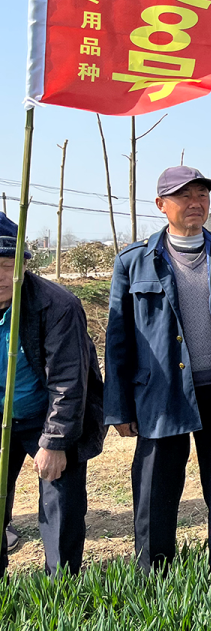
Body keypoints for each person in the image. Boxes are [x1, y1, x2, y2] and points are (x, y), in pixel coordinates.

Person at [104, 167, 211, 572]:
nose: (196, 203)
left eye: (202, 195)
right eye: (184, 196)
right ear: (162, 205)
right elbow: (118, 340)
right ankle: (154, 572)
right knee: (154, 487)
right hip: (160, 395)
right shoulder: (134, 261)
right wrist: (120, 407)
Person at [0, 213, 105, 576]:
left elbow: (68, 380)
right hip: (1, 417)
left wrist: (55, 442)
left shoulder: (57, 305)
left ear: (24, 266)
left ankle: (61, 585)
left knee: (61, 499)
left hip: (49, 414)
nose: (0, 276)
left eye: (7, 265)